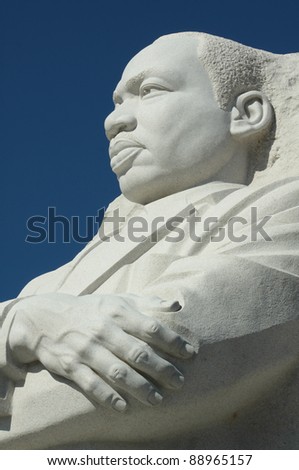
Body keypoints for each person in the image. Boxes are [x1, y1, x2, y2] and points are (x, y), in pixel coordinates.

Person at [0, 32, 298, 449]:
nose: (113, 122)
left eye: (149, 91)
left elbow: (163, 362)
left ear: (246, 113)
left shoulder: (285, 214)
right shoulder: (40, 290)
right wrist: (23, 321)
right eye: (117, 103)